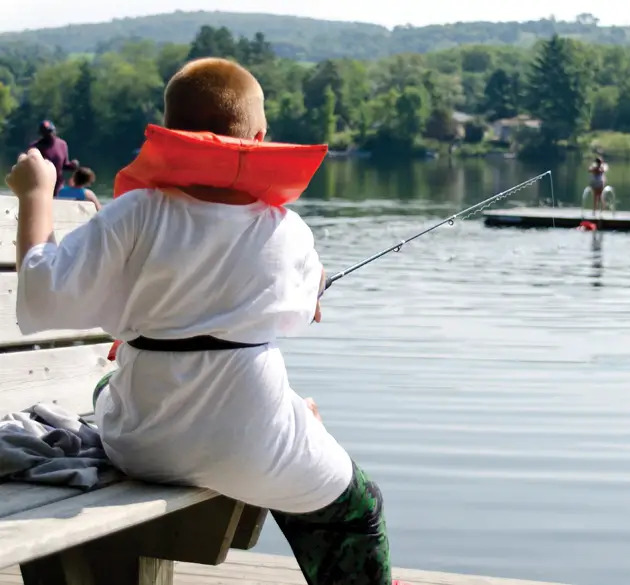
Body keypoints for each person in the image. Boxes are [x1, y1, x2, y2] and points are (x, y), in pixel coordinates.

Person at [6, 58, 403, 585]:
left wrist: (35, 194)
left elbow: (43, 298)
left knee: (110, 383)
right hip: (250, 446)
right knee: (358, 506)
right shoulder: (287, 230)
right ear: (259, 138)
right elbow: (301, 313)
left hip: (140, 443)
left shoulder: (136, 211)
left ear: (170, 134)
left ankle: (292, 420)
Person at [28, 120, 79, 197]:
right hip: (40, 186)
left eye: (50, 131)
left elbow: (64, 165)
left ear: (54, 131)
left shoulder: (62, 144)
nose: (49, 134)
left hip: (58, 187)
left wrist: (72, 165)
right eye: (45, 132)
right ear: (41, 133)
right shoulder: (35, 147)